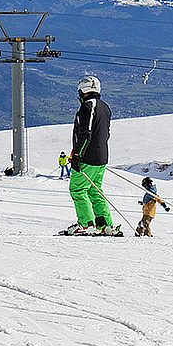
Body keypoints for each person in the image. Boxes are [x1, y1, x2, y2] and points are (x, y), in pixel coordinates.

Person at [65, 75, 116, 236]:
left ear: (83, 91)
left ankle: (86, 224)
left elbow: (85, 134)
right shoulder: (105, 107)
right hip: (102, 157)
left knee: (78, 190)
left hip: (87, 157)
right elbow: (105, 133)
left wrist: (78, 156)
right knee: (95, 190)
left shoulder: (87, 107)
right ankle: (105, 224)